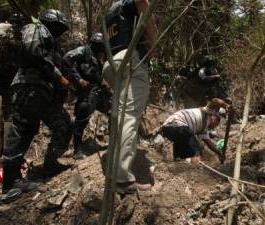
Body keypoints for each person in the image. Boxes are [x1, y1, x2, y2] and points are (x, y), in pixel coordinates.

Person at [1, 9, 71, 193]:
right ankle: (10, 183)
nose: (62, 33)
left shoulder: (53, 44)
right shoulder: (35, 28)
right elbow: (34, 50)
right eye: (60, 28)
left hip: (42, 94)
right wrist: (58, 76)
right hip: (29, 88)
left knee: (61, 123)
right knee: (22, 129)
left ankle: (50, 166)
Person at [103, 0, 157, 194]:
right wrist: (153, 42)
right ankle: (122, 179)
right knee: (130, 117)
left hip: (112, 63)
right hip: (130, 61)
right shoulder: (128, 3)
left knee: (120, 115)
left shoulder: (111, 10)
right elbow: (144, 3)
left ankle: (113, 169)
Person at [63, 32, 111, 160]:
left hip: (97, 91)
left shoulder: (97, 57)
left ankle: (114, 143)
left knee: (113, 109)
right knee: (81, 119)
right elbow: (67, 58)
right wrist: (78, 79)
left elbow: (97, 75)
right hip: (86, 91)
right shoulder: (83, 51)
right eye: (100, 46)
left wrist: (105, 87)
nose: (102, 49)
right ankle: (77, 150)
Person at [161, 98, 232, 165]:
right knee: (195, 149)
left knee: (181, 143)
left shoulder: (203, 129)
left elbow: (209, 143)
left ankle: (178, 165)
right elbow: (215, 101)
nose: (214, 127)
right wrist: (226, 106)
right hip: (177, 124)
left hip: (168, 129)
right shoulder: (207, 112)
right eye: (216, 125)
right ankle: (195, 169)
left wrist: (219, 153)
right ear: (214, 118)